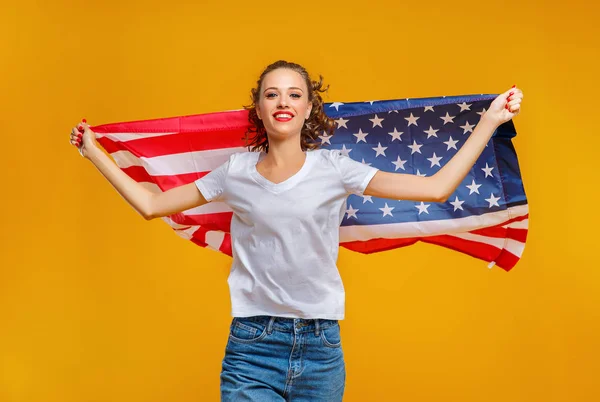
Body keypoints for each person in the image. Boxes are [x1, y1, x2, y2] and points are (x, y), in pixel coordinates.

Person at [69, 60, 523, 401]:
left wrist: (489, 121)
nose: (282, 102)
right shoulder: (235, 172)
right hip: (252, 347)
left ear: (308, 108)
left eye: (293, 94)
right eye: (272, 95)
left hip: (321, 349)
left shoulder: (334, 169)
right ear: (260, 110)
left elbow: (437, 188)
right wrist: (94, 152)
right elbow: (151, 205)